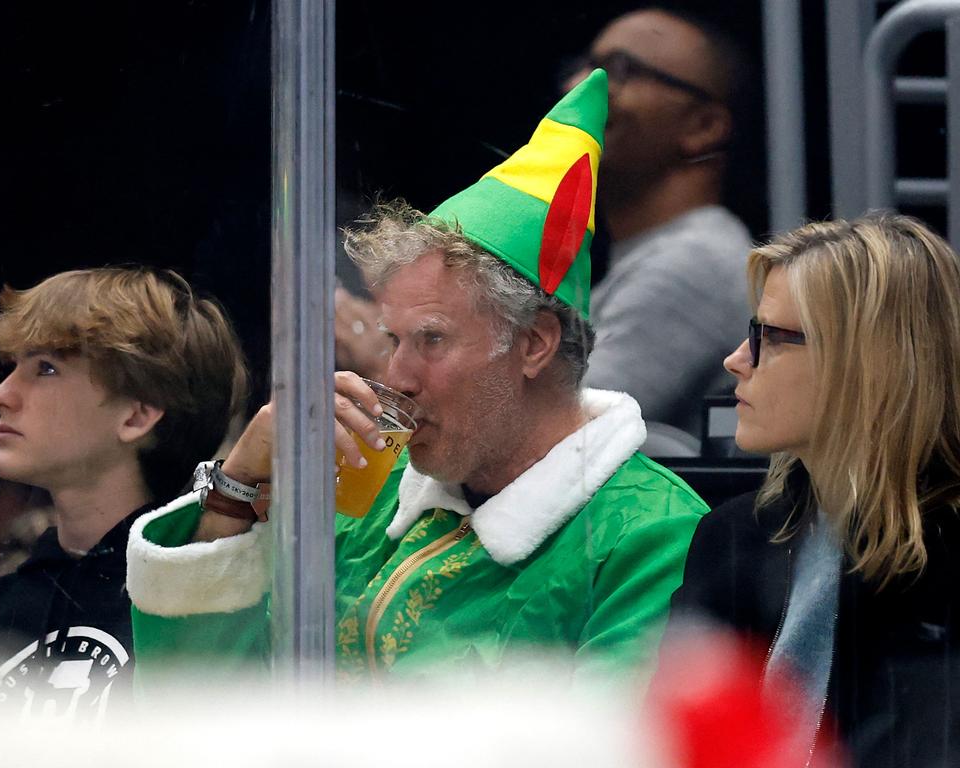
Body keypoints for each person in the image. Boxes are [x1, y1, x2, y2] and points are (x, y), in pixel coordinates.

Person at [126, 70, 707, 687]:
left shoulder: (651, 534)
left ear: (534, 343)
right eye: (392, 340)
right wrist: (238, 487)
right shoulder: (373, 492)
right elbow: (201, 710)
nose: (395, 376)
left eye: (431, 340)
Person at [667, 214, 960, 765]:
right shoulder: (732, 536)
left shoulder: (948, 558)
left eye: (770, 337)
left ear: (870, 360)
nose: (736, 361)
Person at [0, 267, 249, 723]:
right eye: (14, 367)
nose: (1, 394)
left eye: (46, 368)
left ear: (137, 415)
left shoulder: (203, 617)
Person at [565, 6, 752, 438]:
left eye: (617, 70)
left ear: (704, 126)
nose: (575, 88)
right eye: (582, 69)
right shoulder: (660, 253)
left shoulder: (695, 261)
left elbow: (554, 434)